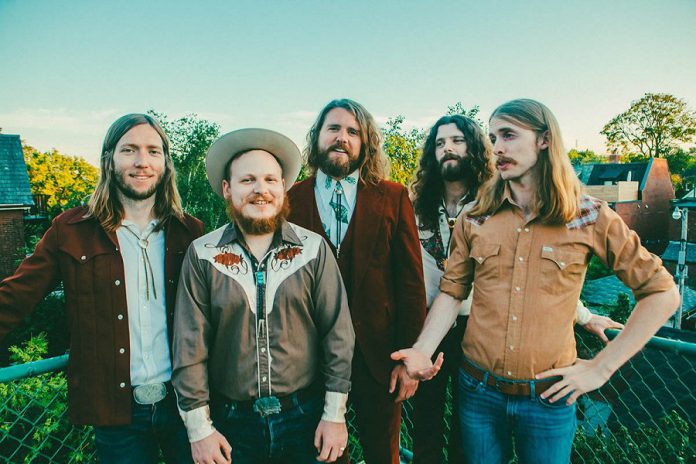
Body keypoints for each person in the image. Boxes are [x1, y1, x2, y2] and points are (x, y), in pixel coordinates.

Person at [393, 99, 679, 464]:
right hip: (478, 392)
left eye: (509, 135)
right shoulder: (477, 217)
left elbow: (662, 292)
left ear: (544, 140)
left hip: (550, 399)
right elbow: (452, 291)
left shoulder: (588, 215)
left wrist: (601, 366)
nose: (498, 147)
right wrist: (422, 349)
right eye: (494, 137)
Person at [0, 114, 204, 463]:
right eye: (129, 150)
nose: (142, 162)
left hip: (187, 405)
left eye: (153, 151)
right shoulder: (70, 230)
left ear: (165, 163)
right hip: (115, 412)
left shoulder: (191, 233)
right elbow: (15, 298)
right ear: (108, 160)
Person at [172, 128, 355, 464]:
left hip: (306, 420)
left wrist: (334, 414)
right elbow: (188, 348)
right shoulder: (202, 255)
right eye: (248, 180)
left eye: (271, 179)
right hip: (230, 427)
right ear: (227, 189)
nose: (261, 189)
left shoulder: (312, 249)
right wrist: (199, 430)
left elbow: (338, 335)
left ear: (283, 187)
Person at [288, 99, 426, 464]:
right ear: (317, 136)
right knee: (325, 457)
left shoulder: (393, 196)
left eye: (353, 132)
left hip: (380, 358)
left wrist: (408, 358)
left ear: (365, 143)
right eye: (333, 129)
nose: (342, 138)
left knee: (385, 455)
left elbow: (411, 283)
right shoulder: (290, 198)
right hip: (309, 362)